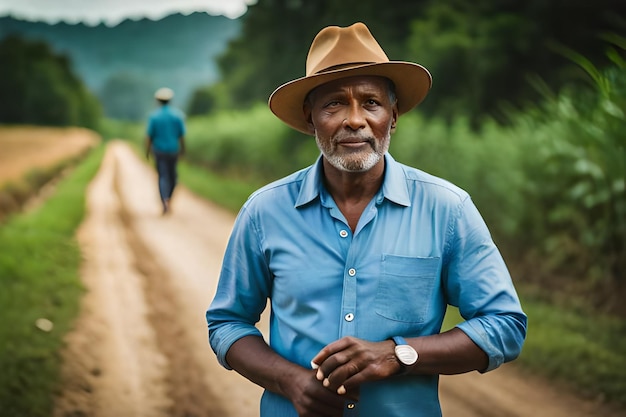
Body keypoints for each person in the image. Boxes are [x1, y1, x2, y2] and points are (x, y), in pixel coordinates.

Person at [206, 22, 527, 417]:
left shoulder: (447, 209)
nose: (354, 120)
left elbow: (505, 325)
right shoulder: (265, 212)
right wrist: (288, 380)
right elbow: (227, 323)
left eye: (371, 102)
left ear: (393, 116)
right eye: (334, 104)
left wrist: (397, 354)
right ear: (311, 119)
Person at [145, 87, 186, 214]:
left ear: (158, 101)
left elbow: (149, 136)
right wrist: (183, 150)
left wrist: (147, 151)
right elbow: (181, 136)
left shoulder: (154, 117)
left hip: (159, 151)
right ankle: (168, 199)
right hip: (173, 151)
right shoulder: (177, 116)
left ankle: (164, 200)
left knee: (163, 176)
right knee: (173, 176)